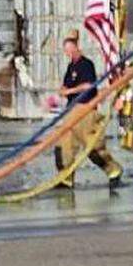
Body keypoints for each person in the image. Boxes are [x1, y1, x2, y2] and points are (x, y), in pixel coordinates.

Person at [55, 30, 123, 188]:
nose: (67, 54)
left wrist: (70, 91)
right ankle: (65, 177)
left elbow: (88, 85)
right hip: (72, 110)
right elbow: (67, 85)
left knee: (92, 146)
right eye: (66, 51)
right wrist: (63, 90)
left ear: (75, 49)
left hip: (86, 109)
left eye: (69, 51)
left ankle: (113, 170)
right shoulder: (70, 66)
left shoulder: (86, 64)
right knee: (64, 144)